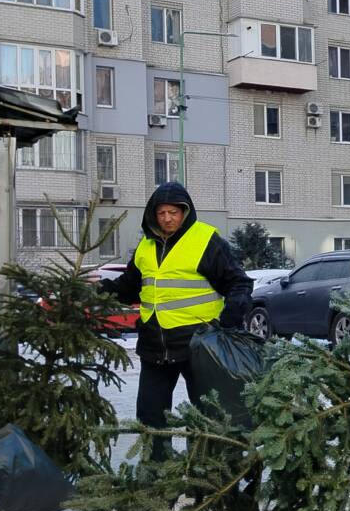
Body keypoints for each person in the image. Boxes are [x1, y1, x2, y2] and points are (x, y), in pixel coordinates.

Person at [99, 182, 252, 458]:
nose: (168, 218)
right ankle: (157, 473)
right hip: (154, 345)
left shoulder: (206, 240)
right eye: (162, 213)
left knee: (209, 415)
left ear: (185, 212)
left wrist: (229, 321)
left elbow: (239, 283)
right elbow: (130, 286)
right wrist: (99, 293)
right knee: (150, 416)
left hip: (199, 347)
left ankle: (211, 476)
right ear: (153, 215)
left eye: (173, 212)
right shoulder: (145, 247)